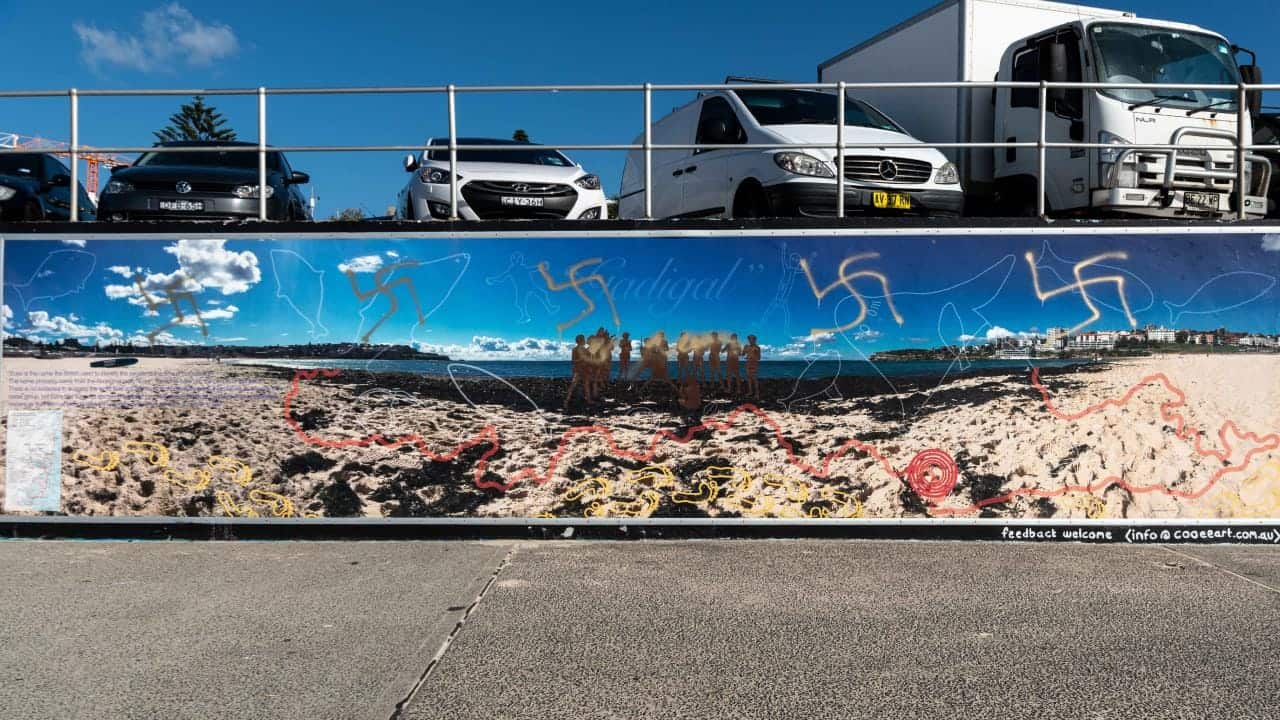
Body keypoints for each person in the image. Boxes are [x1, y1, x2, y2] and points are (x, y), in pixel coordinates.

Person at [565, 334, 588, 409]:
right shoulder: (575, 349)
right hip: (577, 370)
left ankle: (583, 400)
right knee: (573, 385)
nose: (585, 341)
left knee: (585, 385)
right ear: (579, 341)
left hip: (584, 369)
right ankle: (566, 401)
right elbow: (573, 361)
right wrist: (581, 360)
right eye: (583, 339)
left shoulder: (585, 349)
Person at [744, 334, 762, 402]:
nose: (750, 341)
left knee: (754, 379)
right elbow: (743, 354)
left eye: (751, 339)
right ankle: (750, 392)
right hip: (748, 364)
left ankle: (757, 394)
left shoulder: (757, 348)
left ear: (755, 340)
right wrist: (744, 350)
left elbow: (759, 358)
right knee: (749, 378)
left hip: (754, 365)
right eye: (749, 339)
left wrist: (753, 357)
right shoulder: (747, 347)